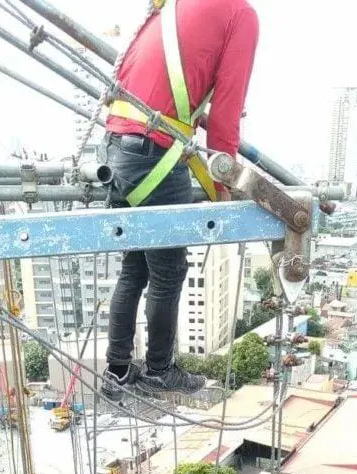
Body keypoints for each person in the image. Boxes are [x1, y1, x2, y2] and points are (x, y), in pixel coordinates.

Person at [101, 0, 259, 402]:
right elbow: (226, 112)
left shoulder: (174, 5)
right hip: (155, 152)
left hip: (118, 147)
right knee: (169, 270)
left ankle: (118, 369)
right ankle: (158, 370)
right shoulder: (239, 16)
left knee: (135, 266)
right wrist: (223, 180)